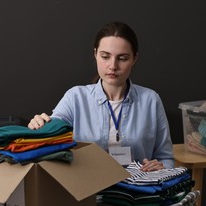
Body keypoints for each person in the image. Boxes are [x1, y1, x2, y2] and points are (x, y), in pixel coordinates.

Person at [28, 21, 174, 171]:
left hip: (139, 190)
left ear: (134, 59)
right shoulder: (75, 98)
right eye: (105, 56)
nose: (113, 66)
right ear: (95, 54)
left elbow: (166, 158)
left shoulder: (150, 100)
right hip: (89, 189)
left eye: (122, 58)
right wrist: (37, 128)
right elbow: (50, 134)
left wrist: (161, 167)